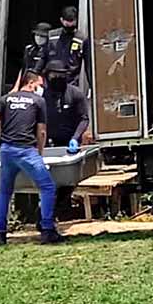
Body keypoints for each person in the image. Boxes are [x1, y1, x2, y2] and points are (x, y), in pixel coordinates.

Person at [0, 71, 65, 247]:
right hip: (26, 150)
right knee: (47, 187)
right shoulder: (38, 101)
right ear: (31, 83)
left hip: (7, 150)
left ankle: (0, 234)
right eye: (40, 85)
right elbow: (41, 131)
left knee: (5, 191)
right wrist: (39, 152)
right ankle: (47, 229)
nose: (42, 88)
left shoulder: (6, 99)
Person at [43, 60, 92, 219]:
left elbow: (84, 118)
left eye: (61, 75)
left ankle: (56, 212)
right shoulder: (42, 97)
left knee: (67, 182)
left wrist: (75, 138)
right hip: (47, 145)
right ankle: (45, 215)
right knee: (48, 182)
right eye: (54, 75)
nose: (57, 78)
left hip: (69, 144)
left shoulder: (75, 94)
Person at [46, 6, 92, 92]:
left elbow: (88, 65)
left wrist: (91, 86)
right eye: (67, 23)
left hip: (71, 83)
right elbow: (43, 58)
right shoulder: (52, 36)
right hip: (51, 81)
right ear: (61, 20)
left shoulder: (82, 39)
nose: (70, 26)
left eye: (72, 23)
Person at [13, 22, 52, 91]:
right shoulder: (29, 49)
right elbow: (24, 68)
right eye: (37, 35)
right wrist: (16, 86)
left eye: (42, 36)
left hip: (42, 84)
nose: (39, 38)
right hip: (27, 83)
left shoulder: (51, 51)